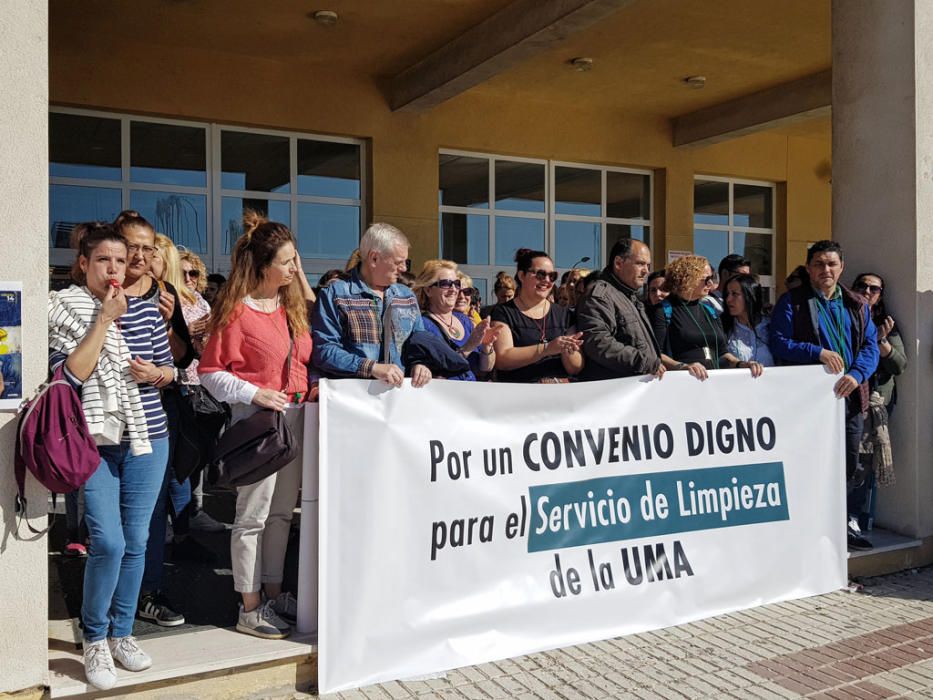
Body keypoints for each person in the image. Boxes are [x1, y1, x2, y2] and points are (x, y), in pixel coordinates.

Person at [49, 223, 173, 690]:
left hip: (148, 438)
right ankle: (95, 637)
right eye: (104, 260)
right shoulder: (63, 308)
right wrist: (103, 319)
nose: (114, 269)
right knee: (109, 542)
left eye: (121, 261)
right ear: (84, 264)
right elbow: (70, 374)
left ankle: (123, 632)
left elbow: (175, 371)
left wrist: (157, 373)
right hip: (93, 439)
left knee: (138, 541)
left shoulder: (143, 312)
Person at [198, 212, 313, 639]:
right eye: (287, 261)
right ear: (265, 266)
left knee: (282, 514)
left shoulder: (292, 308)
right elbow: (210, 371)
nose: (294, 268)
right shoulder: (237, 312)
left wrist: (299, 278)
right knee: (253, 517)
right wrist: (253, 394)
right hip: (260, 420)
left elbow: (305, 358)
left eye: (295, 260)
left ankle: (274, 591)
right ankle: (249, 606)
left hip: (297, 417)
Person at [112, 214, 195, 628]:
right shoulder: (99, 291)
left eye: (149, 248)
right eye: (133, 247)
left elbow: (182, 358)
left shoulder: (164, 293)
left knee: (151, 512)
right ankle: (109, 596)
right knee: (110, 519)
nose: (141, 256)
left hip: (156, 414)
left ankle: (149, 592)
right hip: (107, 421)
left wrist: (164, 323)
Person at [770, 240, 879, 550]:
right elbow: (778, 342)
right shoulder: (792, 302)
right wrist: (816, 352)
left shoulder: (857, 304)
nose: (825, 270)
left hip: (849, 400)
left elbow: (871, 347)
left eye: (831, 264)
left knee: (848, 465)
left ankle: (839, 528)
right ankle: (807, 532)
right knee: (810, 465)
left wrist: (856, 375)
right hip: (810, 404)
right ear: (808, 268)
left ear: (841, 267)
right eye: (818, 264)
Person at [312, 223, 431, 387]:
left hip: (400, 399)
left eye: (406, 262)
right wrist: (372, 368)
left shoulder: (407, 296)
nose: (403, 269)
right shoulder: (336, 294)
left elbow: (418, 343)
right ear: (374, 258)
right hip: (355, 398)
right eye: (398, 262)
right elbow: (325, 351)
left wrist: (421, 364)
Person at [177, 249, 229, 534]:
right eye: (183, 272)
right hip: (176, 383)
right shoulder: (168, 299)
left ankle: (194, 510)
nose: (189, 278)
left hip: (202, 384)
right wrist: (187, 330)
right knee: (180, 457)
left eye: (193, 273)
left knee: (199, 453)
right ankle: (176, 518)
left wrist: (207, 335)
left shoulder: (202, 304)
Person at [851, 272, 907, 529]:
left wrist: (881, 341)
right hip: (850, 398)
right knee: (852, 460)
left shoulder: (886, 323)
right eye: (862, 286)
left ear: (880, 295)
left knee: (867, 465)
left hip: (876, 404)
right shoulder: (846, 316)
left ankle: (857, 518)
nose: (867, 291)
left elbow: (899, 364)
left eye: (873, 289)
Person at [651, 256, 763, 380]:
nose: (710, 283)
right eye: (706, 279)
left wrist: (741, 363)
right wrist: (683, 367)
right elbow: (655, 353)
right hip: (682, 383)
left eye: (712, 278)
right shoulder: (663, 310)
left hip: (712, 382)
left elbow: (722, 352)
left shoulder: (709, 310)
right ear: (687, 279)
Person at [576, 239, 664, 381]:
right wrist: (643, 362)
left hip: (637, 388)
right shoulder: (600, 295)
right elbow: (598, 342)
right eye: (640, 264)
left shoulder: (629, 295)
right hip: (615, 392)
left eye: (648, 265)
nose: (646, 271)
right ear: (618, 263)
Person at [490, 248, 584, 383]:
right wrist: (546, 349)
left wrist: (567, 350)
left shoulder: (565, 315)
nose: (547, 280)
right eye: (540, 275)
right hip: (518, 394)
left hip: (557, 395)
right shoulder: (503, 312)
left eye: (552, 276)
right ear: (522, 276)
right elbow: (502, 359)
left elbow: (575, 368)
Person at [413, 260, 498, 381]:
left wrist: (486, 345)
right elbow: (440, 370)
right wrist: (468, 347)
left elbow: (486, 368)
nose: (454, 289)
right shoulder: (422, 325)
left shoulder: (465, 321)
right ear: (428, 290)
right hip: (444, 396)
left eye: (456, 283)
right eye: (446, 284)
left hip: (470, 395)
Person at [723, 273, 774, 366]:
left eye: (734, 294)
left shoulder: (771, 325)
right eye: (727, 294)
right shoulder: (723, 327)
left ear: (750, 295)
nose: (728, 299)